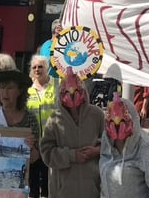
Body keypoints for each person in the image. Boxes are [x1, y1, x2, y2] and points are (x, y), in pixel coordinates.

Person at [40, 67, 104, 198]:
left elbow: (111, 145)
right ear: (61, 94)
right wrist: (71, 156)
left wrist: (97, 151)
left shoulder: (97, 115)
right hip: (63, 191)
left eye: (76, 91)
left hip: (92, 190)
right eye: (67, 92)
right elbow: (46, 153)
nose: (72, 95)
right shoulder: (54, 120)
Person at [100, 92, 149, 198]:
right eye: (113, 123)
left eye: (121, 122)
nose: (117, 127)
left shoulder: (145, 146)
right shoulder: (106, 139)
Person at [27, 55, 55, 198]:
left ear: (47, 68)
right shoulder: (27, 89)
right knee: (32, 183)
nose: (37, 69)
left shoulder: (57, 85)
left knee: (48, 183)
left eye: (40, 67)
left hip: (52, 142)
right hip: (33, 143)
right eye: (34, 67)